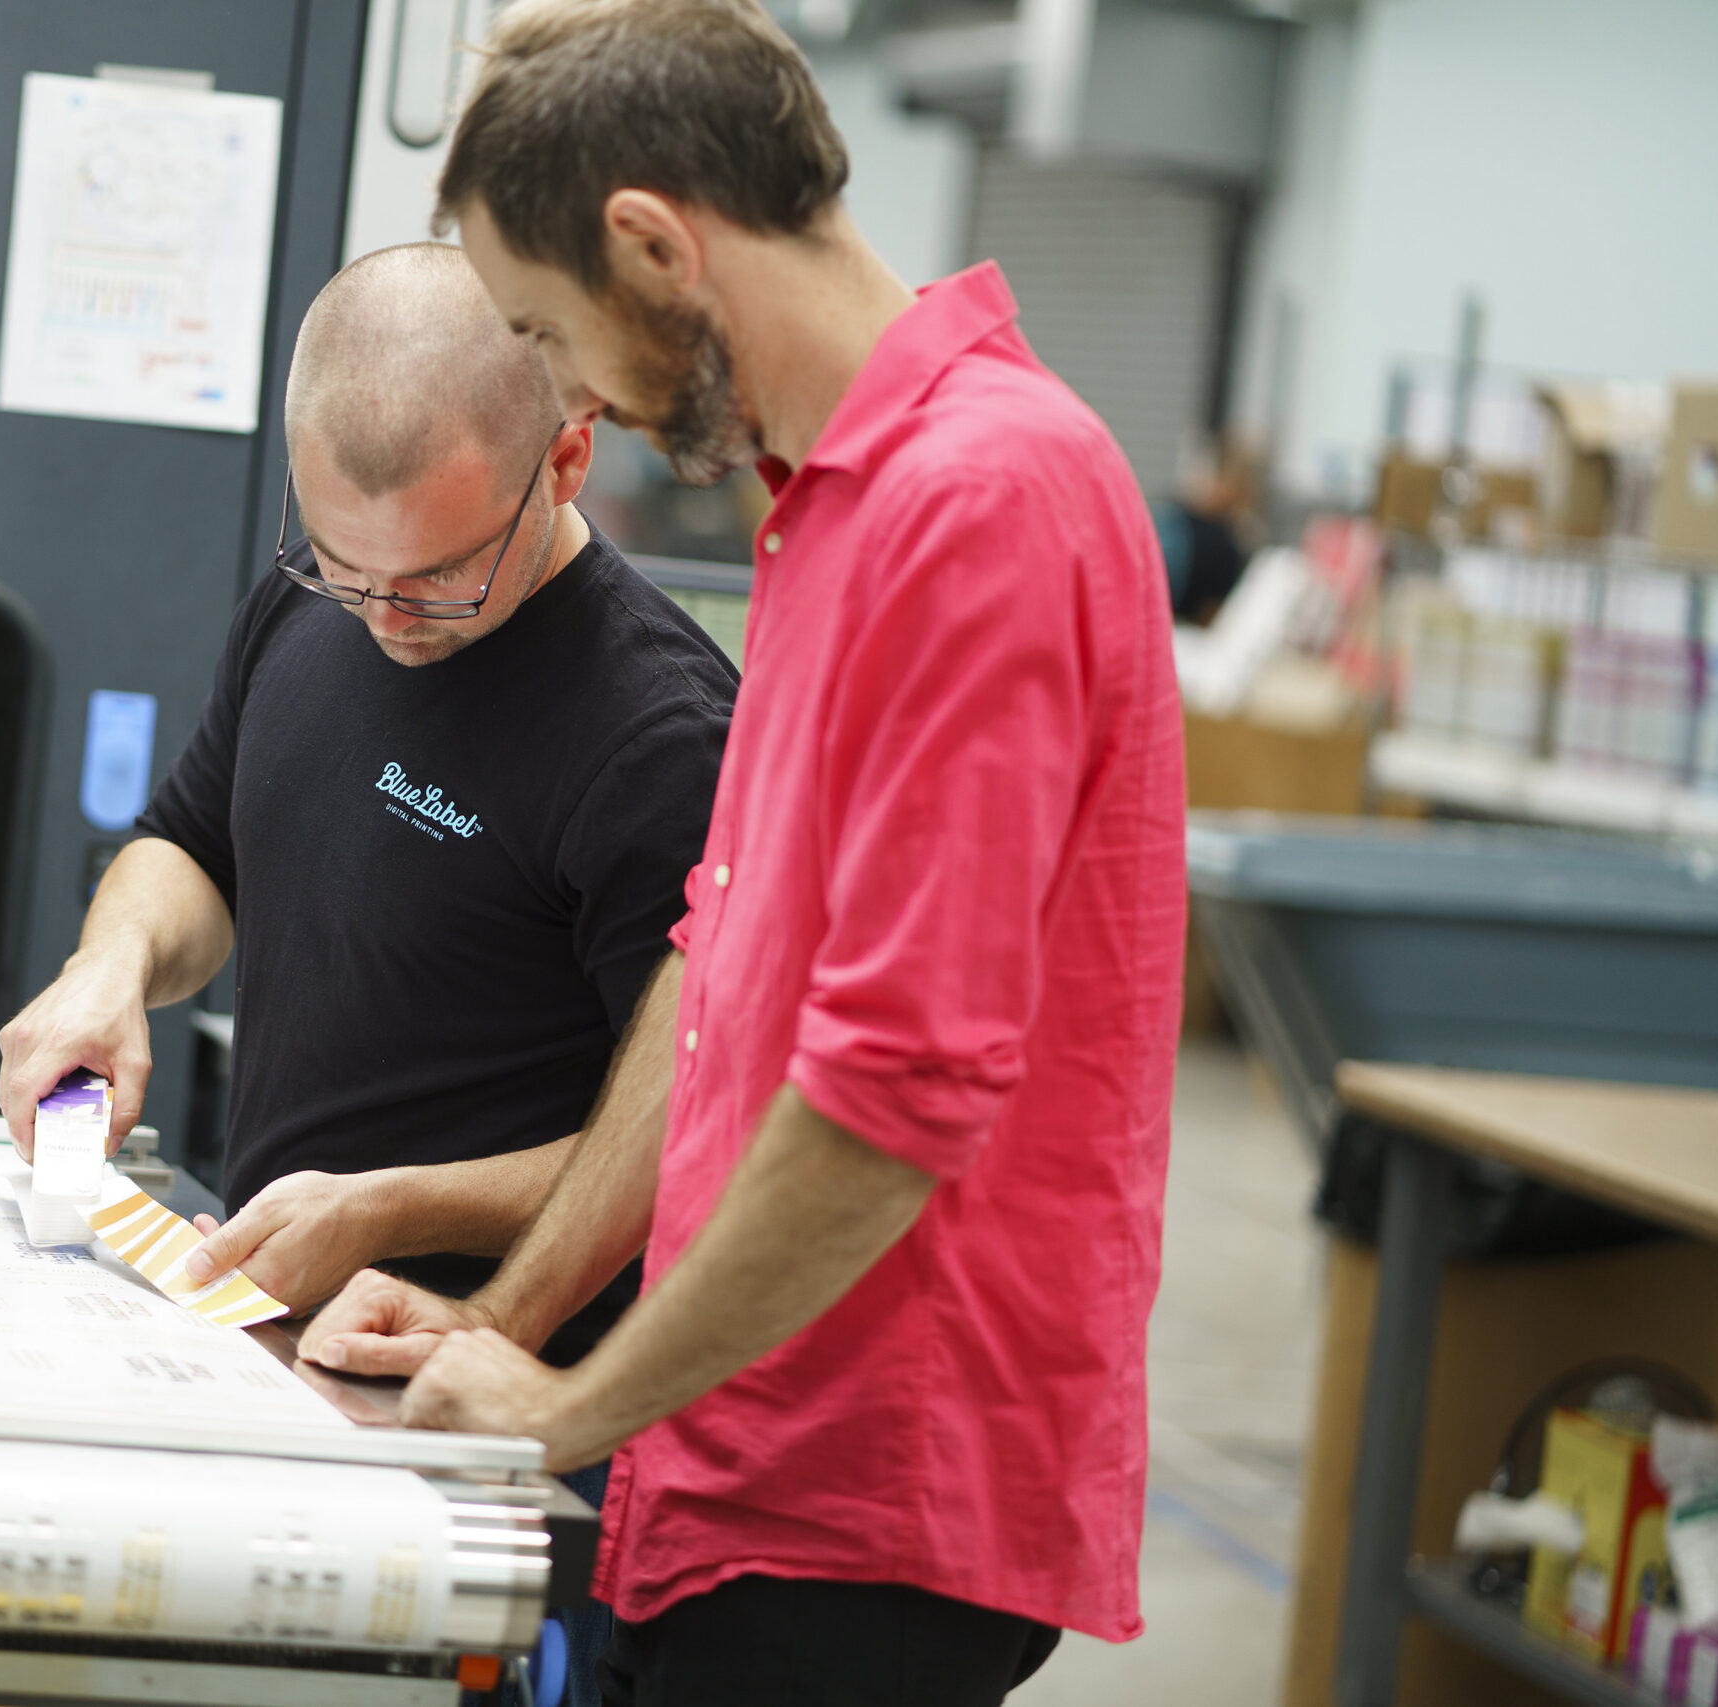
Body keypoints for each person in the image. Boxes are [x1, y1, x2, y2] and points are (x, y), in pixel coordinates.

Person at [295, 5, 1188, 1705]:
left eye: (555, 332)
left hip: (864, 1507)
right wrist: (511, 1325)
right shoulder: (836, 504)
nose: (582, 402)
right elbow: (725, 990)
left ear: (653, 245)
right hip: (734, 1463)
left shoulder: (980, 503)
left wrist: (573, 1402)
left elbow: (894, 1096)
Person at [0, 241, 738, 1707]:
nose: (389, 619)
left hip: (446, 1429)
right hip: (250, 1363)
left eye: (441, 580)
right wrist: (112, 964)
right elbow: (193, 842)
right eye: (343, 567)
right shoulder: (315, 607)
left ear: (569, 459)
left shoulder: (664, 741)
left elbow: (693, 1136)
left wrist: (399, 1205)